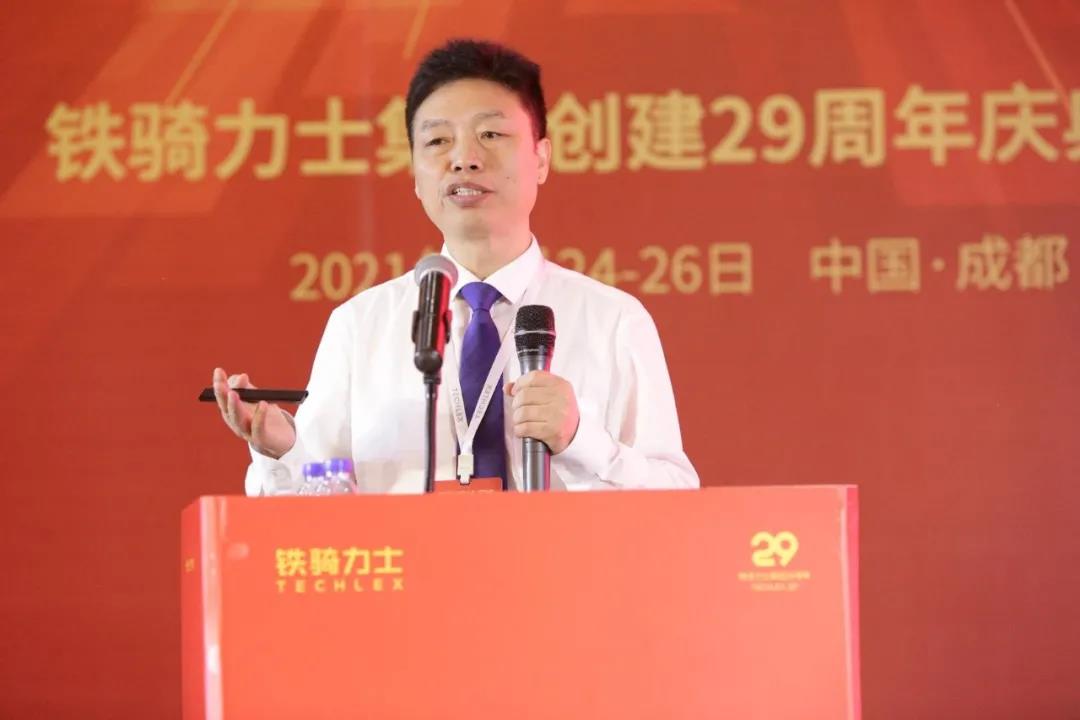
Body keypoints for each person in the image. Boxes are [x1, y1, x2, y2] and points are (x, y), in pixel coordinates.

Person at [212, 39, 699, 494]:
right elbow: (319, 508)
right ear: (414, 173)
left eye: (491, 134)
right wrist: (283, 451)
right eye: (438, 141)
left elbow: (677, 496)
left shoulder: (613, 320)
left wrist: (580, 439)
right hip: (406, 562)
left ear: (541, 157)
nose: (464, 159)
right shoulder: (360, 327)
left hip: (563, 562)